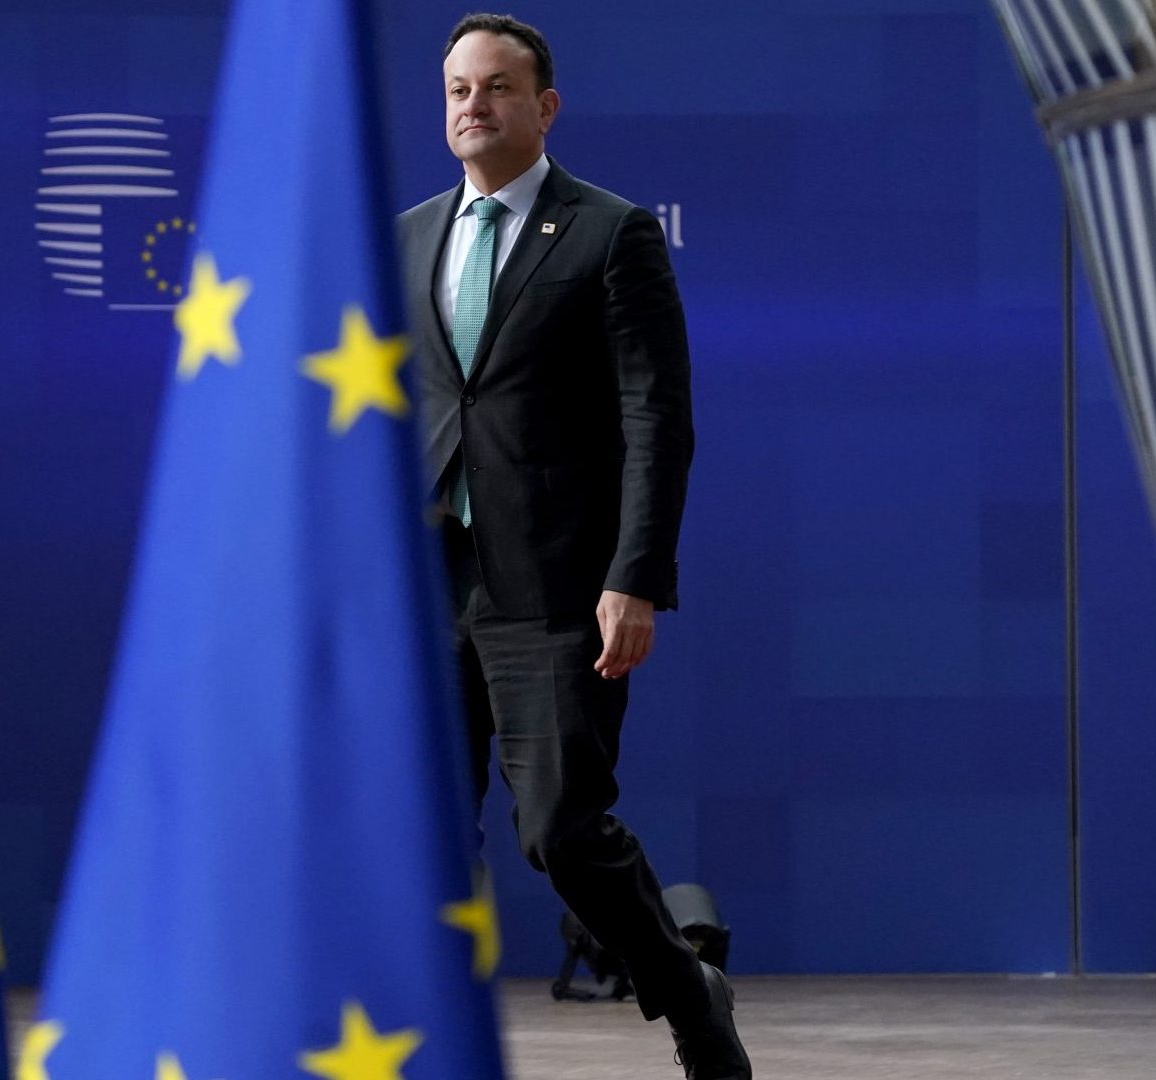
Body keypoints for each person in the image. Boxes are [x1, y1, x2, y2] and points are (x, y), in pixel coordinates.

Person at [397, 14, 751, 1079]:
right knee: (414, 836)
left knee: (558, 829)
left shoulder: (608, 232)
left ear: (545, 107)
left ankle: (687, 993)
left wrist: (633, 576)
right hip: (424, 584)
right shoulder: (408, 233)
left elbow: (657, 416)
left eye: (496, 88)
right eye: (458, 88)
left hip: (554, 586)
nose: (473, 105)